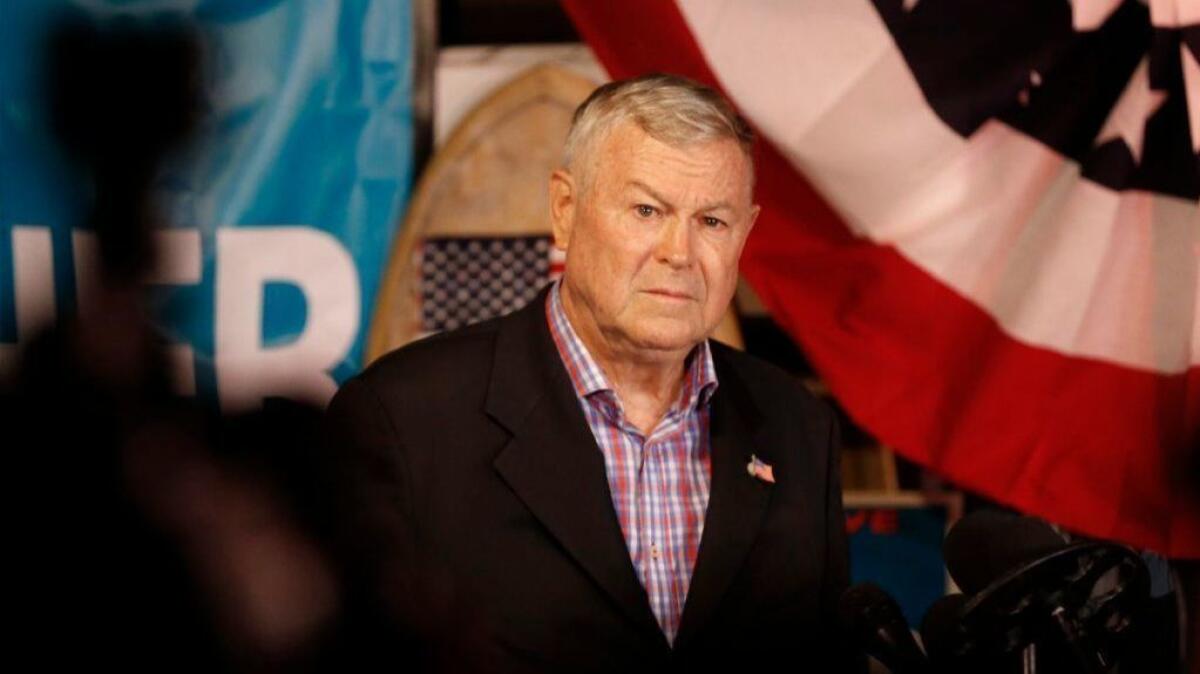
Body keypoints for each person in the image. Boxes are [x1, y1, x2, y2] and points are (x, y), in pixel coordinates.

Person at [326, 73, 853, 672]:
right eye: (647, 209)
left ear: (745, 235)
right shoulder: (403, 419)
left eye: (712, 221)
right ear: (565, 211)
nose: (678, 253)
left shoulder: (798, 429)